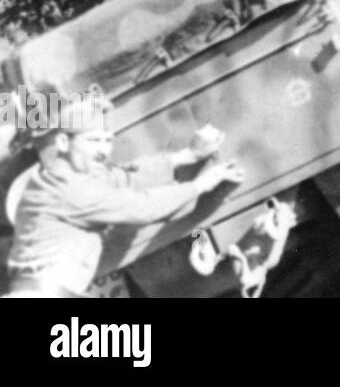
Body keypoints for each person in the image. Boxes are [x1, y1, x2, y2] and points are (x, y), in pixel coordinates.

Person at [4, 93, 243, 296]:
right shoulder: (72, 190)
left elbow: (126, 179)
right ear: (64, 142)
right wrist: (200, 185)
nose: (103, 151)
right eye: (94, 140)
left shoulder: (66, 173)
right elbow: (141, 208)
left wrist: (187, 156)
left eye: (108, 141)